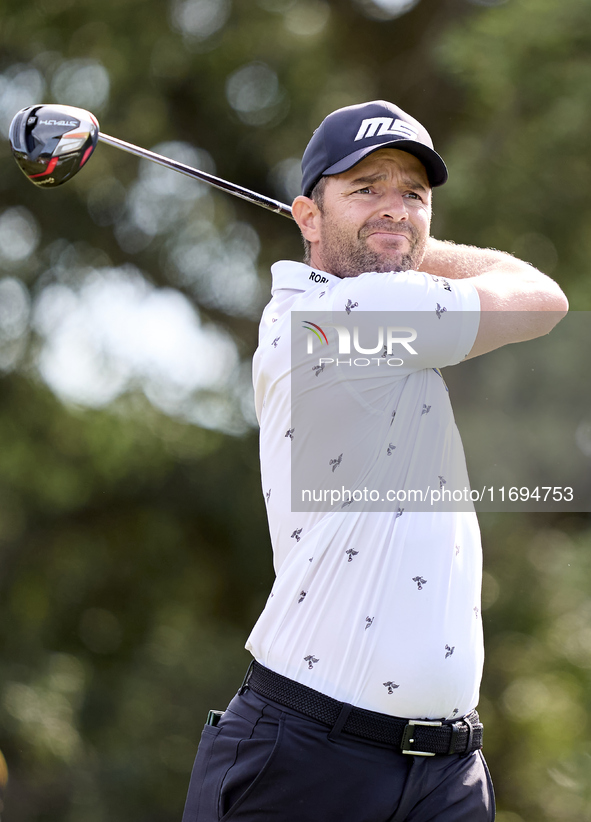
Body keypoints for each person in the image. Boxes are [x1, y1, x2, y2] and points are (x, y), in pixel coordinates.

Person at [181, 100, 568, 822]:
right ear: (304, 216)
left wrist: (377, 227)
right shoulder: (334, 320)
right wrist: (410, 240)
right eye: (365, 188)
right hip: (308, 761)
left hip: (445, 774)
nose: (395, 208)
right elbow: (541, 297)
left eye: (413, 195)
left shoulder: (380, 310)